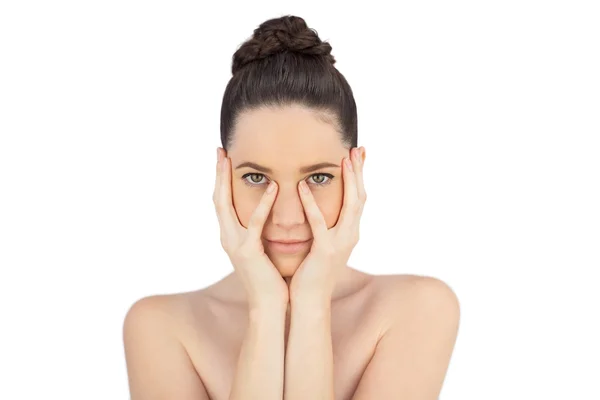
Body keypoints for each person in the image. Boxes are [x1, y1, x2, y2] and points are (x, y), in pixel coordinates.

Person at [123, 14, 460, 400]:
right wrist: (265, 309)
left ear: (356, 172)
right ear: (223, 176)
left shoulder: (416, 311)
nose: (286, 218)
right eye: (256, 178)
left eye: (318, 178)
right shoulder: (161, 329)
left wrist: (311, 304)